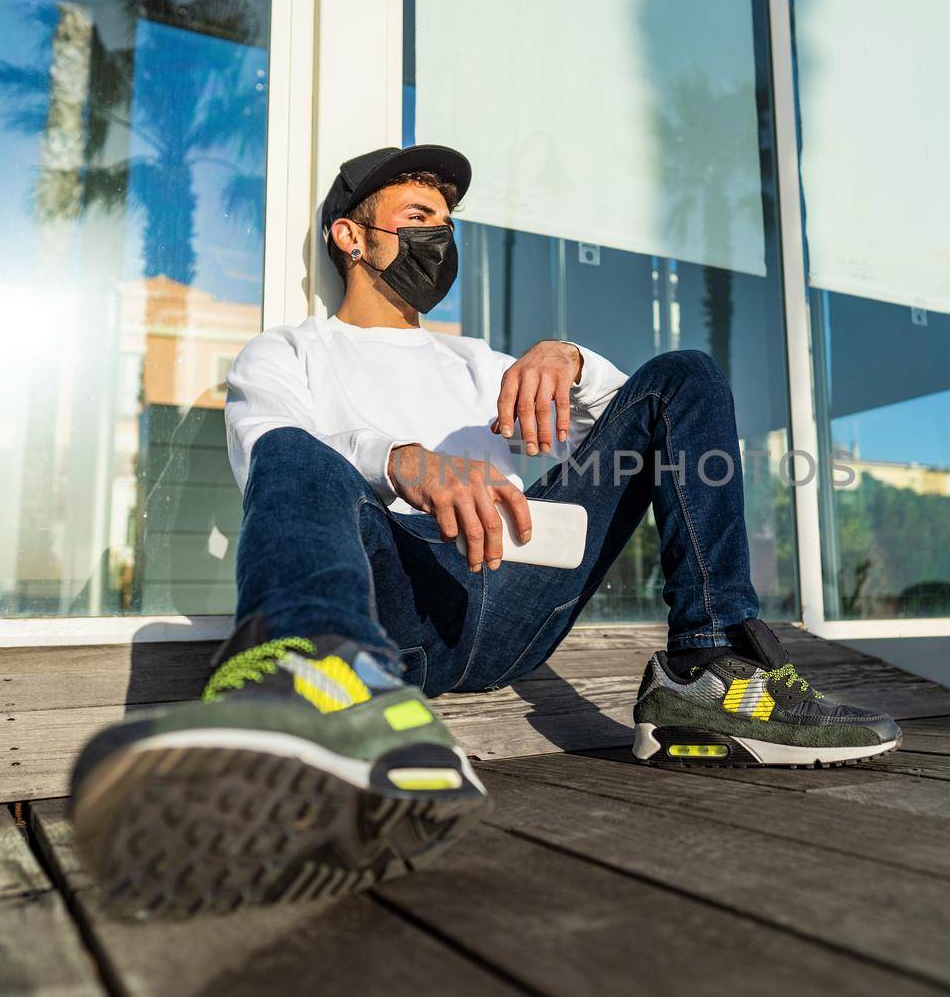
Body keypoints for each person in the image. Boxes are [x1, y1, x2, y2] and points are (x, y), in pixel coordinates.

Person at [70, 144, 901, 918]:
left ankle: (707, 675)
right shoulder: (289, 351)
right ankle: (313, 699)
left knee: (686, 375)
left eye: (447, 223)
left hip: (513, 598)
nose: (440, 238)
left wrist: (563, 359)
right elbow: (268, 460)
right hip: (391, 599)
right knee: (296, 452)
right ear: (349, 236)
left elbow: (655, 430)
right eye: (419, 218)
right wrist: (404, 462)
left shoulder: (477, 363)